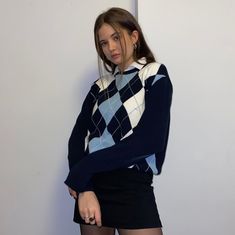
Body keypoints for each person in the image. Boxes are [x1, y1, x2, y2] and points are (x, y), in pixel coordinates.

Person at [64, 7, 173, 235]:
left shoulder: (153, 74)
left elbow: (149, 141)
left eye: (116, 37)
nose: (110, 47)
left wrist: (82, 170)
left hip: (131, 187)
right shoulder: (99, 86)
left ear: (134, 37)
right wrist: (84, 186)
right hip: (92, 187)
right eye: (103, 43)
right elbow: (76, 140)